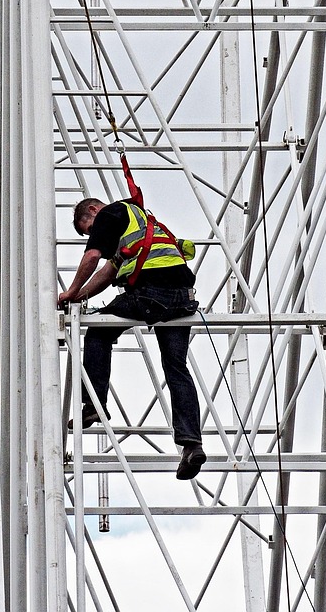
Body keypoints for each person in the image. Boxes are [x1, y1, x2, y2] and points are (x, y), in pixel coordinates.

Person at [58, 196, 206, 480]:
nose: (92, 236)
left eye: (88, 229)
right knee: (177, 368)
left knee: (98, 331)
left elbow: (91, 259)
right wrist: (79, 294)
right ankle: (191, 445)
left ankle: (94, 405)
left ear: (92, 211)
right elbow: (106, 272)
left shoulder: (110, 214)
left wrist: (68, 293)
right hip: (182, 299)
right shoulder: (137, 226)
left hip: (151, 294)